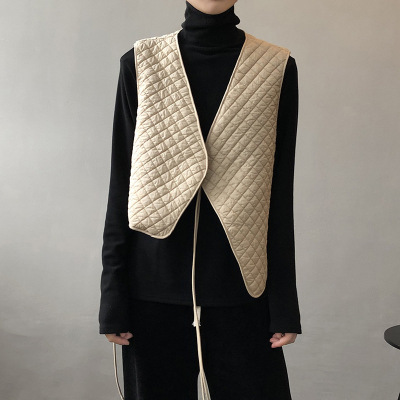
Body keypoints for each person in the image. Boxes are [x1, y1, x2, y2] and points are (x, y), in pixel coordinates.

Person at [98, 1, 302, 399]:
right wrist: (113, 296)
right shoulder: (140, 62)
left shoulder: (276, 67)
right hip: (150, 293)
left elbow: (279, 194)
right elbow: (120, 183)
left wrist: (284, 303)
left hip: (242, 290)